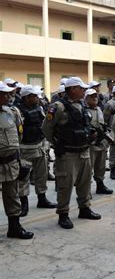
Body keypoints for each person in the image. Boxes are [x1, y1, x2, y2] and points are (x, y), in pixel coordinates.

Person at [42, 77, 101, 229]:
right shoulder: (58, 107)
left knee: (85, 182)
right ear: (73, 89)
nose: (83, 91)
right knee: (65, 185)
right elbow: (46, 128)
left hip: (83, 151)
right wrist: (57, 143)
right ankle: (63, 213)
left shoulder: (82, 105)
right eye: (81, 88)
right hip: (68, 153)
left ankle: (84, 208)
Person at [0, 82, 34, 239]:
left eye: (9, 93)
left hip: (11, 161)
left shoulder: (11, 112)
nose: (8, 96)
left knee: (12, 195)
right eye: (4, 93)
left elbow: (18, 136)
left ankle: (14, 227)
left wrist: (18, 158)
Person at [17, 85, 57, 217]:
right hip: (24, 149)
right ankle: (24, 203)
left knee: (42, 175)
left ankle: (42, 199)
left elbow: (44, 124)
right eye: (34, 96)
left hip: (39, 147)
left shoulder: (39, 108)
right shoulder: (17, 110)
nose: (37, 98)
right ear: (26, 97)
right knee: (23, 177)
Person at [85, 88, 113, 195]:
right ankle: (86, 190)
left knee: (100, 167)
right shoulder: (84, 111)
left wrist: (108, 138)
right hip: (91, 144)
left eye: (95, 96)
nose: (94, 98)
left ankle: (100, 185)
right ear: (86, 98)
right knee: (88, 169)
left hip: (101, 142)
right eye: (91, 97)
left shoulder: (99, 109)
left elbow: (103, 126)